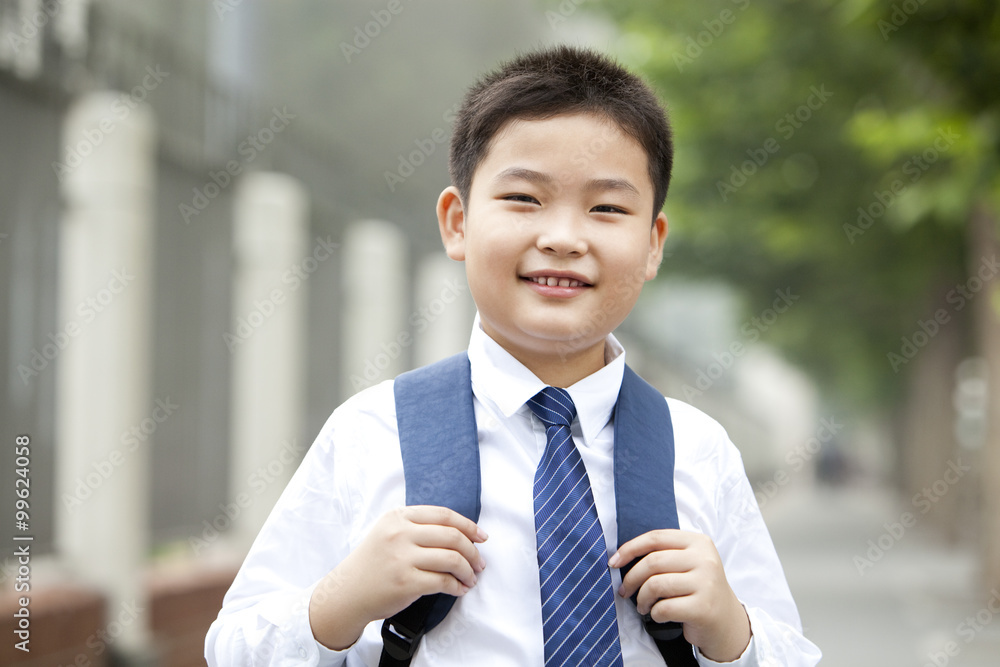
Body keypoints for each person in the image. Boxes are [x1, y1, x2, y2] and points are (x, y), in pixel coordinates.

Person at [205, 45, 822, 666]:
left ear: (653, 244)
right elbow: (232, 650)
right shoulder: (373, 433)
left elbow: (790, 652)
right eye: (524, 199)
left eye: (607, 208)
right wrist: (339, 601)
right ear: (457, 222)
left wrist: (731, 629)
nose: (562, 238)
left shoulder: (697, 449)